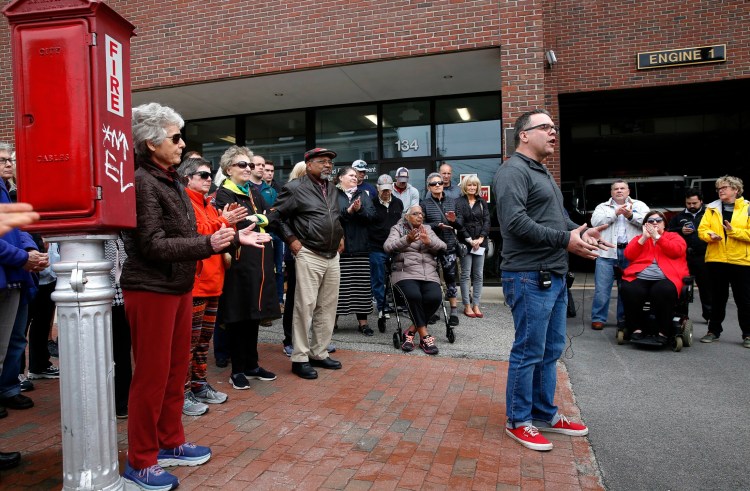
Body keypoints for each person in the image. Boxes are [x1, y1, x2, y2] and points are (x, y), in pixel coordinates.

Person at [121, 103, 267, 490]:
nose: (182, 144)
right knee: (151, 378)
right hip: (151, 289)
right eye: (175, 137)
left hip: (177, 287)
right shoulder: (142, 182)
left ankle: (169, 442)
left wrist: (232, 236)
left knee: (173, 373)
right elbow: (152, 245)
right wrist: (209, 243)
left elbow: (195, 231)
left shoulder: (168, 180)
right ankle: (140, 461)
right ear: (151, 142)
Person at [494, 109, 610, 451]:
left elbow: (558, 219)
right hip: (528, 276)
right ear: (524, 135)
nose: (553, 132)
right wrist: (565, 240)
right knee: (529, 350)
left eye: (554, 127)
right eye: (545, 127)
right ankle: (518, 420)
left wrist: (581, 232)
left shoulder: (541, 171)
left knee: (551, 350)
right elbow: (513, 223)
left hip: (553, 274)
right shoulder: (512, 171)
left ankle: (544, 413)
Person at [268, 148, 344, 380]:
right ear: (308, 164)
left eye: (330, 162)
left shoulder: (331, 188)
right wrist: (292, 240)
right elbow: (274, 217)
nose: (328, 166)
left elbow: (334, 217)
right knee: (305, 307)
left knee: (327, 307)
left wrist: (341, 235)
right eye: (322, 162)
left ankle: (319, 353)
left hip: (332, 255)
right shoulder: (295, 188)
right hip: (309, 252)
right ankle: (300, 357)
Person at [180, 157, 248, 410]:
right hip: (195, 285)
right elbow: (197, 232)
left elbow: (218, 233)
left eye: (210, 175)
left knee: (202, 342)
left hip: (213, 283)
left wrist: (237, 234)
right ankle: (182, 392)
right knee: (188, 343)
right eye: (203, 175)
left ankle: (198, 384)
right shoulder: (185, 203)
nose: (209, 179)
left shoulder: (208, 204)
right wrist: (225, 222)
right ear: (188, 178)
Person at [214, 147, 280, 389]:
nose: (248, 169)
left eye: (249, 165)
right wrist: (258, 218)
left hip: (259, 259)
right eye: (242, 165)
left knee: (255, 313)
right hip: (238, 261)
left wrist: (258, 218)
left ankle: (252, 364)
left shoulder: (252, 191)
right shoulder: (223, 194)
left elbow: (273, 215)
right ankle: (237, 369)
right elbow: (236, 223)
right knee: (237, 315)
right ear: (228, 168)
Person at [0, 141, 47, 414]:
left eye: (9, 159)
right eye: (3, 159)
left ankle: (8, 388)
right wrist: (23, 258)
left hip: (18, 276)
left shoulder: (7, 191)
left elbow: (20, 227)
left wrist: (30, 249)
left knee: (16, 338)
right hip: (7, 274)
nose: (8, 163)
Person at [384, 205, 446, 354]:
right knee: (414, 296)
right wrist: (407, 239)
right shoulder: (398, 229)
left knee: (435, 298)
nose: (420, 216)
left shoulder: (428, 229)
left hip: (428, 273)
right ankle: (425, 336)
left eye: (421, 214)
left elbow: (443, 246)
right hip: (405, 272)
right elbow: (387, 247)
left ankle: (410, 332)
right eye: (416, 214)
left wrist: (428, 242)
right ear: (407, 216)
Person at [620, 211, 690, 343]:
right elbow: (629, 255)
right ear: (646, 224)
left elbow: (676, 251)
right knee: (629, 289)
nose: (655, 223)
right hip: (641, 276)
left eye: (658, 220)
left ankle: (663, 331)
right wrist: (644, 238)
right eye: (651, 221)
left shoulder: (673, 236)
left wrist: (658, 237)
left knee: (661, 291)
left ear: (664, 224)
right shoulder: (639, 238)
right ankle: (636, 328)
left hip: (666, 277)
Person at [697, 176, 750, 347]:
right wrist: (710, 236)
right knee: (717, 298)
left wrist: (733, 232)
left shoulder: (748, 208)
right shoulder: (711, 208)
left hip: (741, 260)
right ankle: (713, 331)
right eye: (718, 188)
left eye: (724, 187)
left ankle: (748, 334)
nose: (720, 190)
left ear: (736, 190)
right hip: (716, 259)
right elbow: (702, 230)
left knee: (744, 300)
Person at [590, 180, 649, 330]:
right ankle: (598, 318)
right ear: (611, 192)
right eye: (616, 189)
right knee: (602, 289)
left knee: (627, 288)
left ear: (628, 191)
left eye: (622, 188)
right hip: (606, 252)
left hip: (631, 253)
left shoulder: (640, 206)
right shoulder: (602, 207)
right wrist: (615, 213)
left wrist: (630, 216)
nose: (619, 191)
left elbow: (649, 223)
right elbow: (595, 222)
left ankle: (623, 319)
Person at [335, 166, 375, 335]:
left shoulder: (364, 195)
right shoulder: (333, 195)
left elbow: (372, 217)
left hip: (360, 248)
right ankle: (332, 323)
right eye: (351, 175)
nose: (355, 177)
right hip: (340, 249)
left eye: (356, 175)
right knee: (337, 288)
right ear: (340, 178)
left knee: (361, 288)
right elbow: (333, 217)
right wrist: (349, 211)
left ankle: (363, 323)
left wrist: (359, 211)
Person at [421, 172, 462, 326]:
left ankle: (453, 311)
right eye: (433, 184)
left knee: (450, 279)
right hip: (431, 247)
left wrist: (455, 221)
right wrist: (435, 225)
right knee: (433, 281)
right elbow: (421, 224)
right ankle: (435, 310)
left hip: (449, 246)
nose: (437, 185)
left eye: (440, 183)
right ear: (428, 187)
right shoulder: (424, 204)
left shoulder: (454, 202)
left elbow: (461, 224)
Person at [668, 189, 712, 321]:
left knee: (706, 287)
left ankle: (709, 316)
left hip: (704, 256)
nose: (691, 206)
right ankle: (682, 316)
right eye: (689, 203)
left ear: (701, 201)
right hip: (684, 257)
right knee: (682, 288)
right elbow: (669, 232)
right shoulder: (678, 217)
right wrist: (680, 231)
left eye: (694, 203)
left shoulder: (709, 214)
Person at [368, 174, 404, 331]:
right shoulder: (371, 203)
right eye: (383, 190)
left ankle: (398, 303)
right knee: (378, 279)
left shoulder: (398, 203)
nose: (386, 192)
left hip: (395, 246)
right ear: (377, 189)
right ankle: (382, 306)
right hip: (376, 246)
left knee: (398, 277)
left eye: (388, 189)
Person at [104, 237, 132, 419]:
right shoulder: (100, 238)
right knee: (105, 351)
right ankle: (109, 400)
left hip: (125, 293)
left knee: (123, 351)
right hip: (102, 295)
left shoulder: (123, 235)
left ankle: (123, 401)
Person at [455, 174, 490, 318]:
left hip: (480, 242)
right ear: (465, 186)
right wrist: (470, 240)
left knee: (478, 275)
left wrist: (481, 238)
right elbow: (459, 223)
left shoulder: (482, 202)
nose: (471, 187)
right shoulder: (459, 202)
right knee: (465, 274)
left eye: (474, 185)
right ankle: (467, 306)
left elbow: (487, 221)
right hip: (465, 243)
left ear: (477, 187)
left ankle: (476, 305)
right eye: (469, 185)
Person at [260, 158, 285, 313]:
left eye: (271, 171)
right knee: (265, 268)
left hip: (277, 232)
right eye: (266, 170)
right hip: (263, 232)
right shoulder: (255, 189)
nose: (269, 173)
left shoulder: (278, 188)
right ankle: (266, 302)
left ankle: (280, 300)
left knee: (279, 268)